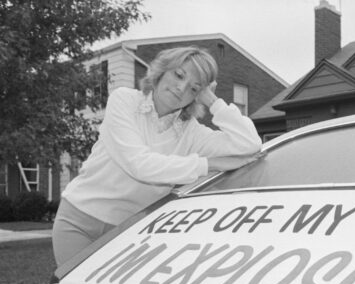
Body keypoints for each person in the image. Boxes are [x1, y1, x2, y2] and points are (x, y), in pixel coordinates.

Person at [52, 46, 262, 266]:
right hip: (79, 221)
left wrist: (213, 102)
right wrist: (207, 164)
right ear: (162, 70)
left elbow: (250, 143)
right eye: (179, 75)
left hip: (129, 232)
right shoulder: (124, 101)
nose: (181, 88)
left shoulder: (192, 132)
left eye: (194, 88)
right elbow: (139, 164)